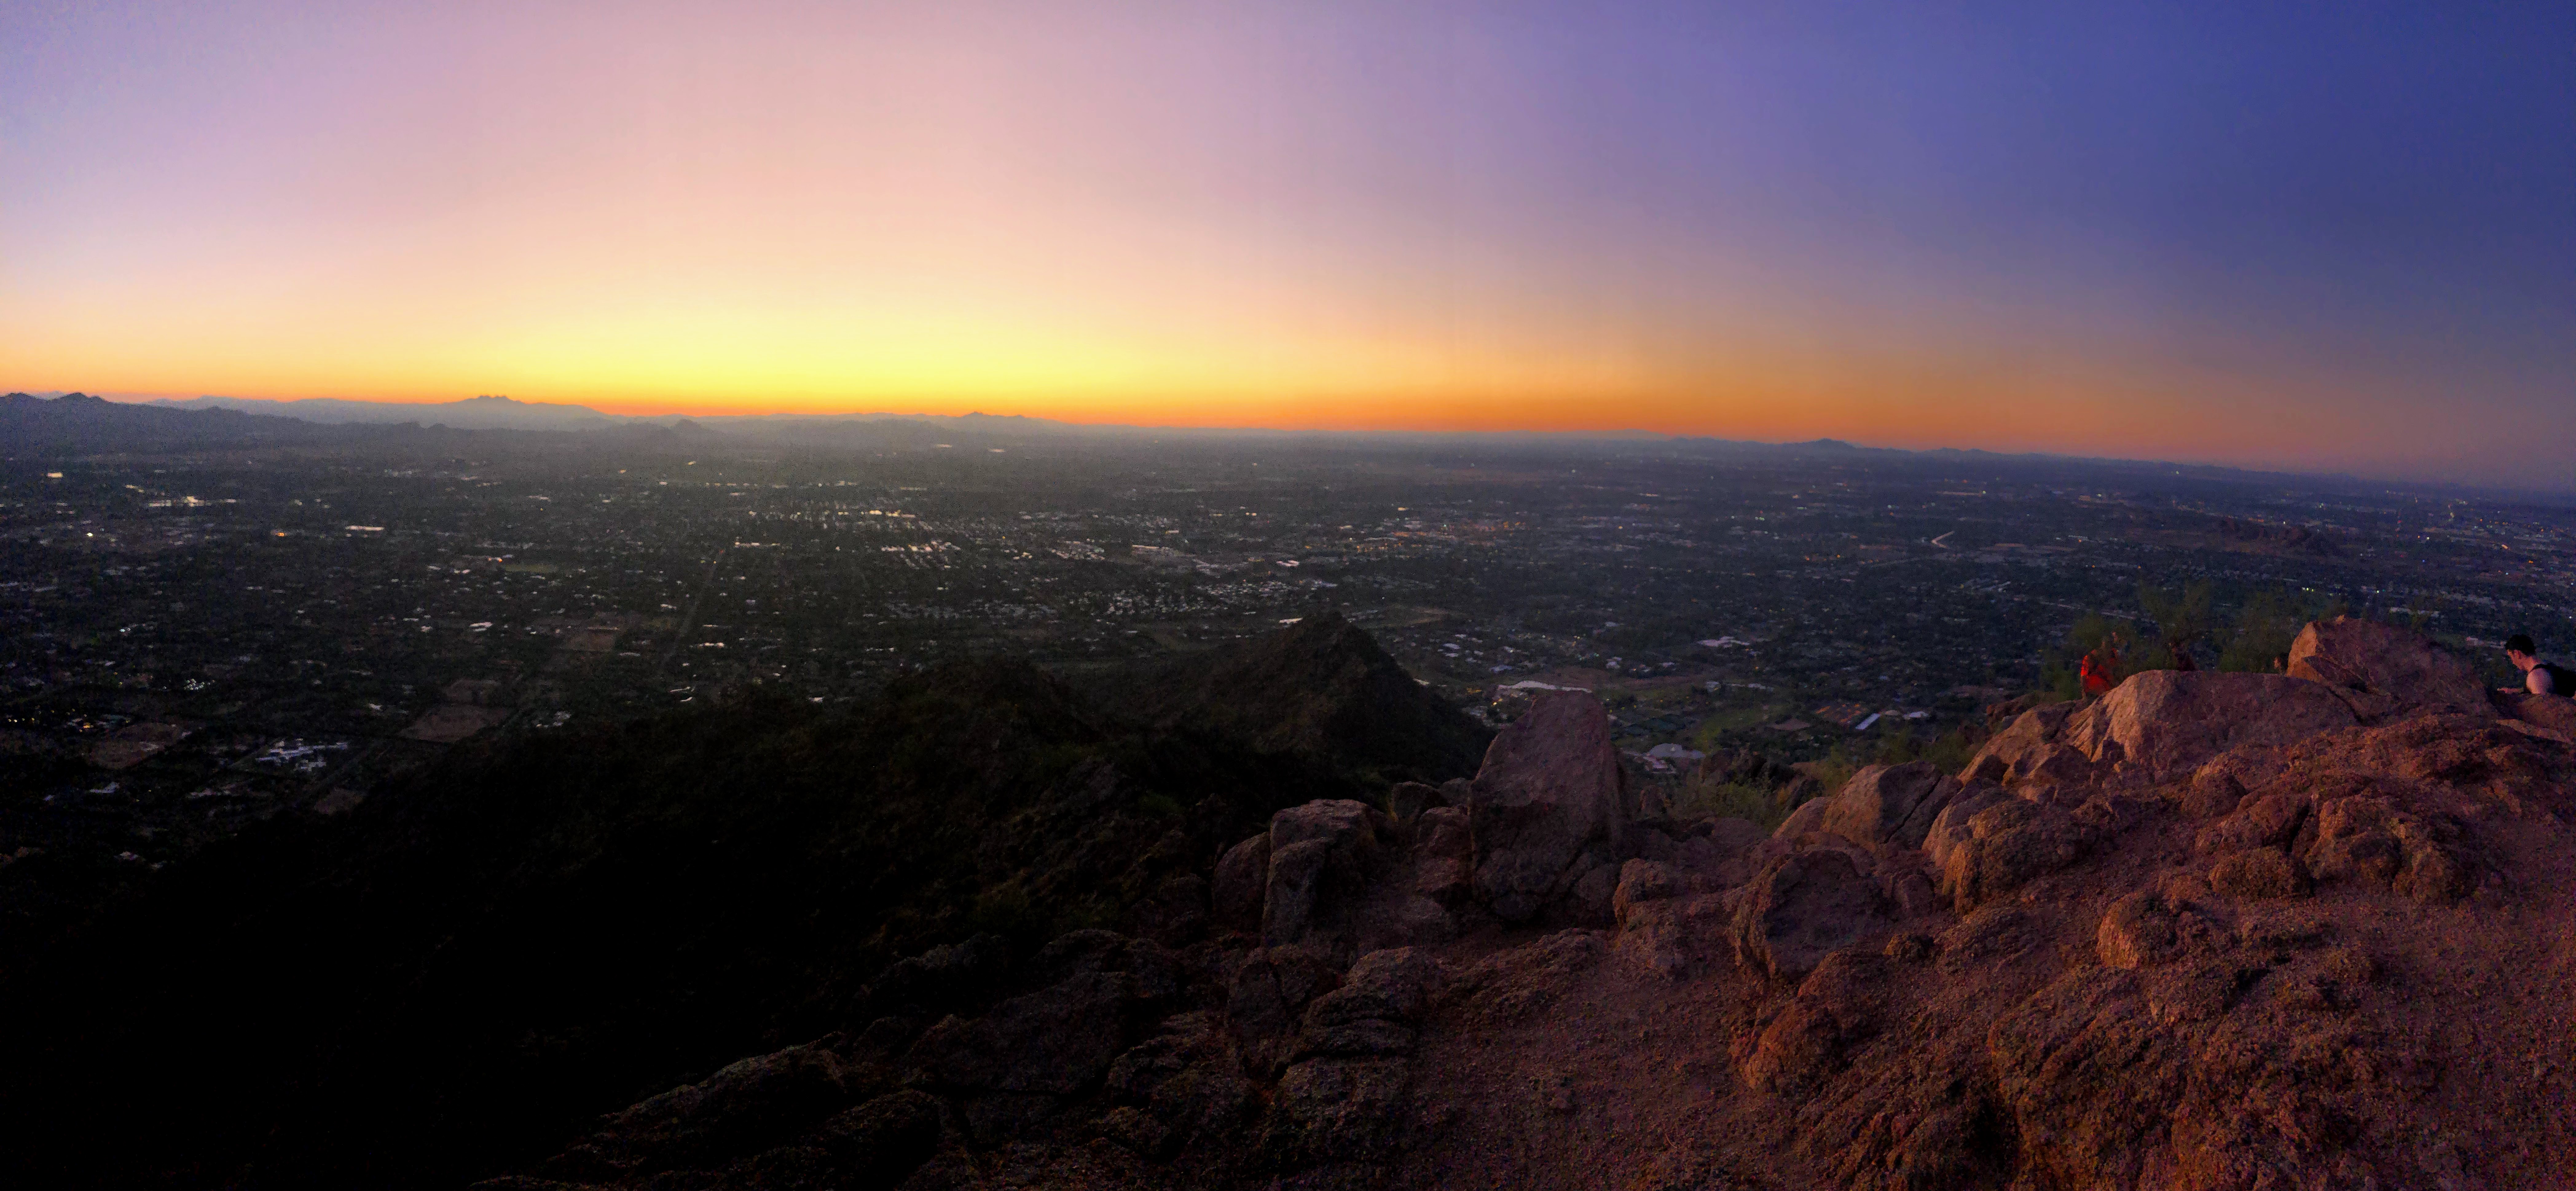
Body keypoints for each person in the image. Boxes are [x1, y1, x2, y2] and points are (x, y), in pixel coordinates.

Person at [2503, 635, 2576, 697]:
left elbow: (2541, 706)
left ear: (2517, 654)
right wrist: (2513, 692)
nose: (2513, 662)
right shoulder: (2546, 668)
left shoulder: (2536, 677)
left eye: (2511, 657)